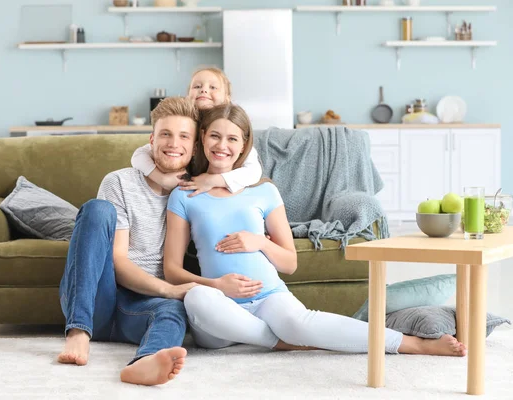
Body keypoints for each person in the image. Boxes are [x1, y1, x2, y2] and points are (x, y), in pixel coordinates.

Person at [163, 103, 468, 357]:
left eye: (232, 139)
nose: (222, 146)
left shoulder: (264, 191)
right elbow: (172, 270)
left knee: (300, 320)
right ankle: (282, 341)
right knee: (196, 300)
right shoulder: (185, 194)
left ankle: (414, 344)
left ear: (244, 144)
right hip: (220, 310)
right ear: (202, 137)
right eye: (215, 136)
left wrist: (260, 242)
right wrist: (217, 286)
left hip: (269, 297)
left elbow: (290, 263)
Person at [57, 97, 200, 386]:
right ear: (151, 140)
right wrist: (170, 289)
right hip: (101, 295)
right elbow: (118, 262)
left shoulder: (196, 192)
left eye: (184, 136)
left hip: (141, 310)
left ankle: (145, 362)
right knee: (98, 210)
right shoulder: (119, 182)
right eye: (165, 134)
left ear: (195, 147)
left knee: (173, 311)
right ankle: (78, 332)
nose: (174, 143)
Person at [131, 67, 262, 197]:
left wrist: (212, 181)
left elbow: (253, 171)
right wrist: (161, 179)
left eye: (213, 87)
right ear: (188, 96)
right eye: (197, 86)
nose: (204, 90)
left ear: (227, 99)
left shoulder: (231, 129)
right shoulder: (185, 126)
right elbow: (139, 155)